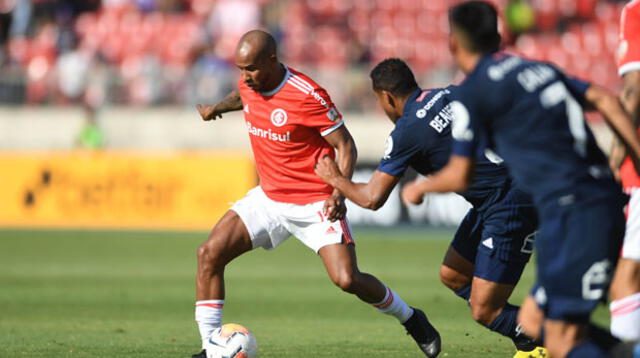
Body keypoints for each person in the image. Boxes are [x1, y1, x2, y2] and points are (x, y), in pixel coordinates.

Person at [400, 2, 640, 358]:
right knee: (532, 320)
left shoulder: (472, 92)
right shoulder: (535, 69)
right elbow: (607, 98)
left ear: (454, 45)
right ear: (498, 37)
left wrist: (419, 186)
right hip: (596, 201)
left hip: (573, 212)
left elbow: (459, 173)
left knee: (561, 339)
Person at [191, 30, 441, 358]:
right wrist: (217, 108)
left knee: (347, 279)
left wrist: (338, 193)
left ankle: (411, 318)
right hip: (269, 198)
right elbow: (242, 95)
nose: (245, 76)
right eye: (240, 69)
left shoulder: (306, 94)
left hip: (314, 202)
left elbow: (345, 145)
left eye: (251, 68)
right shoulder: (249, 82)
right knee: (209, 253)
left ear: (271, 60)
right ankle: (211, 347)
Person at [314, 58, 546, 358]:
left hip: (509, 204)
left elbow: (372, 198)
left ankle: (559, 340)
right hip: (500, 196)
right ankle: (530, 340)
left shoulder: (408, 131)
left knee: (484, 310)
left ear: (386, 96)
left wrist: (335, 179)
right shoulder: (451, 93)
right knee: (454, 274)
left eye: (377, 100)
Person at [607, 0, 640, 342]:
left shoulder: (637, 11)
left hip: (638, 169)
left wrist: (618, 155)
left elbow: (633, 92)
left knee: (626, 274)